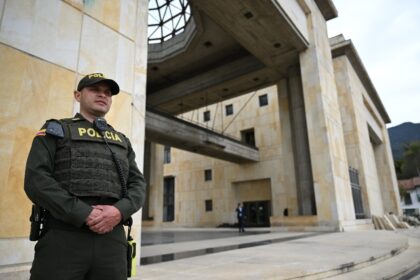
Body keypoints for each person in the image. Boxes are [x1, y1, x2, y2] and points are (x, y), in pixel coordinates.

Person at [24, 73, 147, 280]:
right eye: (95, 90)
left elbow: (138, 185)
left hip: (112, 239)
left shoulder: (121, 140)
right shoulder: (56, 130)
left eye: (107, 93)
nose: (103, 95)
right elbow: (36, 180)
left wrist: (118, 212)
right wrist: (82, 213)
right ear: (78, 95)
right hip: (64, 236)